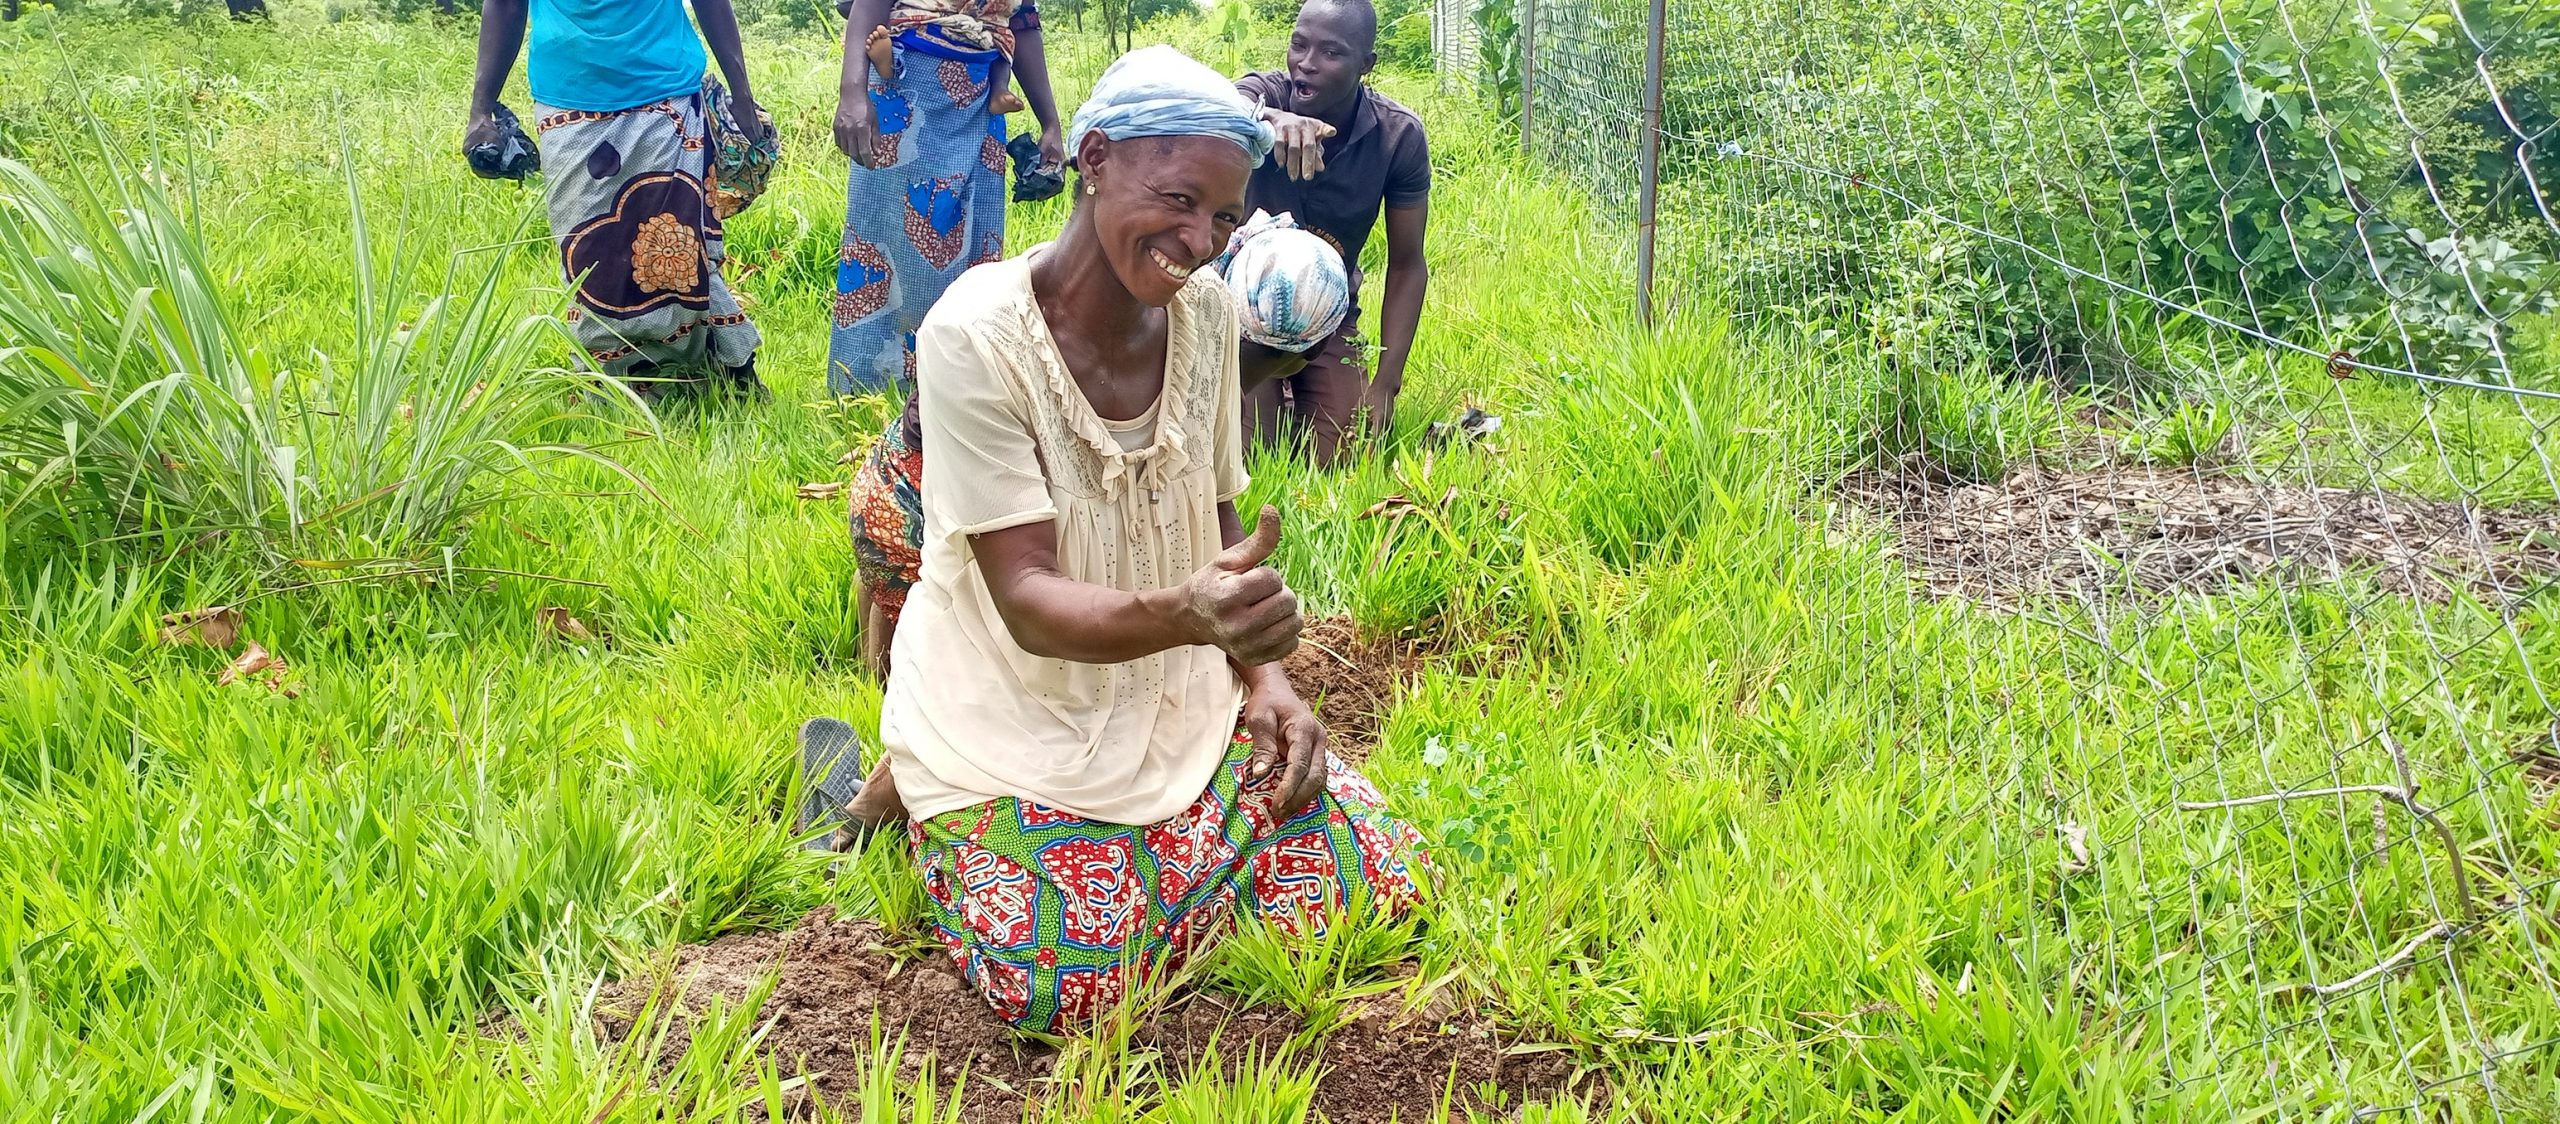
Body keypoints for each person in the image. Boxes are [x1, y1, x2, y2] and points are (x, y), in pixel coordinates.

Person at [805, 47, 1422, 1032]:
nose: (1199, 240)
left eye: (1223, 218)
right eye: (1177, 199)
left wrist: (1268, 680)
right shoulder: (977, 333)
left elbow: (1221, 525)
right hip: (1020, 697)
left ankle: (1145, 854)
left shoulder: (1209, 314)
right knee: (1072, 982)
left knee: (1386, 878)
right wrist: (1184, 612)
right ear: (1092, 158)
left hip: (1168, 692)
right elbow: (1028, 600)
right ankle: (918, 792)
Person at [843, 208, 1350, 684]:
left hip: (909, 489)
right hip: (923, 501)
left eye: (1223, 214)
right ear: (1304, 359)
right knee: (940, 679)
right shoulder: (1009, 327)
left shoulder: (1194, 330)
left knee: (953, 682)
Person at [466, 0, 770, 398]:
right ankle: (612, 391)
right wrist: (480, 110)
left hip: (664, 95)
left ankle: (728, 375)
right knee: (590, 262)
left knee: (679, 250)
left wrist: (742, 95)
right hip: (568, 105)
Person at [828, 0, 1065, 396]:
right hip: (904, 96)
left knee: (974, 251)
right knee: (883, 246)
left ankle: (952, 389)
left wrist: (1051, 123)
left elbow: (1022, 22)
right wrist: (852, 93)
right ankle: (865, 391)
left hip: (981, 101)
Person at [1236, 0, 1433, 468]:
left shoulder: (1396, 137)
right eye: (1299, 45)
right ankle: (1270, 390)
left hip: (1329, 318)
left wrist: (1386, 383)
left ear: (1366, 65)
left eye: (1331, 52)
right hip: (1241, 313)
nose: (1306, 62)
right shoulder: (1266, 95)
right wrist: (1269, 120)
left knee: (1338, 456)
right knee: (1251, 455)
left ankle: (1303, 381)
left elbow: (1407, 264)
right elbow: (1221, 104)